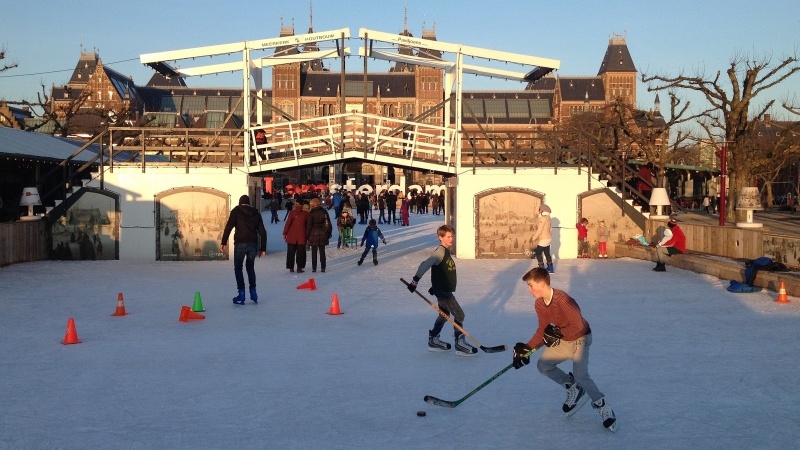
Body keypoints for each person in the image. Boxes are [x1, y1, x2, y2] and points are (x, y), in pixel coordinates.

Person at [512, 267, 617, 432]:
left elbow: (578, 325)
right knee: (543, 366)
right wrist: (526, 349)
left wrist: (558, 333)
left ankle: (602, 406)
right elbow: (542, 330)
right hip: (564, 340)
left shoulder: (563, 300)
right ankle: (572, 386)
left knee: (581, 376)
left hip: (580, 339)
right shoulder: (539, 303)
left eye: (531, 285)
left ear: (541, 283)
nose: (528, 289)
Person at [406, 225, 477, 356]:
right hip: (444, 292)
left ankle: (433, 339)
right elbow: (425, 264)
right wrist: (415, 281)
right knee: (459, 315)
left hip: (442, 289)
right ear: (440, 237)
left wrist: (435, 285)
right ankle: (460, 344)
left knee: (444, 315)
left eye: (452, 236)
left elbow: (441, 270)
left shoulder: (446, 251)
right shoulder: (440, 252)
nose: (451, 239)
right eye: (448, 237)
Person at [220, 194, 267, 305]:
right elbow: (262, 232)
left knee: (238, 268)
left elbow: (229, 227)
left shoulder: (236, 211)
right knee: (250, 267)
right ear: (249, 203)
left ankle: (241, 294)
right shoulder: (256, 213)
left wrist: (223, 242)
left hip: (240, 243)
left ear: (240, 202)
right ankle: (253, 292)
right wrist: (263, 248)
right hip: (252, 244)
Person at [305, 197, 332, 273]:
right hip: (323, 232)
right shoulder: (324, 212)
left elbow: (309, 225)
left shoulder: (311, 213)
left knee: (314, 252)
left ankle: (314, 268)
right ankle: (323, 267)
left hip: (313, 233)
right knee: (322, 251)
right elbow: (328, 223)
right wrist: (328, 232)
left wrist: (306, 235)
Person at [283, 200, 308, 273]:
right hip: (301, 236)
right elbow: (307, 225)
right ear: (302, 205)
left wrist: (285, 233)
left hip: (291, 235)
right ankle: (299, 267)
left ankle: (291, 267)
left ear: (296, 204)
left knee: (291, 252)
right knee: (301, 253)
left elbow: (288, 224)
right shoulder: (306, 214)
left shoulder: (292, 213)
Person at [531, 204, 554, 273]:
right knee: (547, 253)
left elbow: (539, 230)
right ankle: (550, 268)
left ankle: (541, 268)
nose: (538, 211)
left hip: (544, 239)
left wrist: (534, 238)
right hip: (549, 238)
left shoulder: (542, 219)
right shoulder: (548, 218)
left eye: (539, 209)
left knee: (538, 253)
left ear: (542, 211)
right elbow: (550, 229)